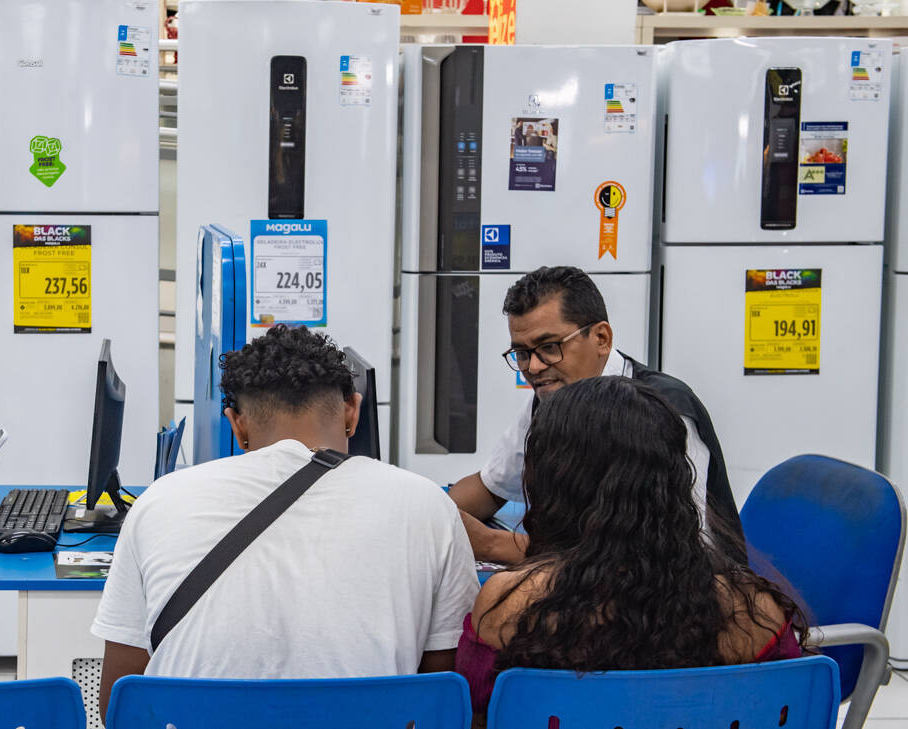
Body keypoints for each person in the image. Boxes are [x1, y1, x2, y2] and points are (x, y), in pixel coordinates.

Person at [92, 325, 478, 715]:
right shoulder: (428, 506)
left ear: (236, 424)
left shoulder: (159, 501)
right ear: (353, 412)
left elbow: (119, 706)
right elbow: (440, 702)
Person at [456, 376, 804, 721]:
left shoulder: (509, 608)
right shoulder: (756, 612)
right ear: (675, 482)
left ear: (552, 485)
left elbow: (468, 716)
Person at [449, 266, 742, 563]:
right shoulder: (550, 397)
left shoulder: (664, 412)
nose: (534, 368)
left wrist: (493, 544)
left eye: (549, 347)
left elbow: (668, 557)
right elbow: (490, 486)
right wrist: (422, 512)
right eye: (522, 354)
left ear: (601, 338)